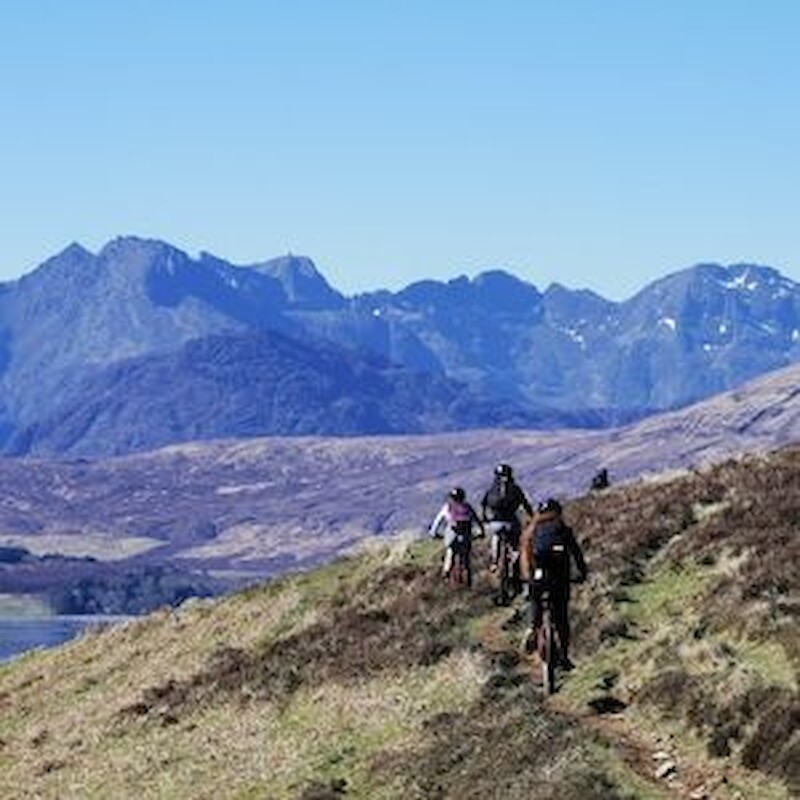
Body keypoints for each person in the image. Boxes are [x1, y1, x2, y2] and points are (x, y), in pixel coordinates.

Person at [522, 498, 587, 670]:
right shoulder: (564, 530)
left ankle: (532, 628)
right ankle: (564, 656)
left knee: (535, 601)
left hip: (537, 577)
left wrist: (526, 579)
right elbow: (576, 554)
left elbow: (524, 557)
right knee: (562, 618)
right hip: (559, 579)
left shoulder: (532, 531)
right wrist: (581, 573)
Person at [481, 463, 534, 573]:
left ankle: (495, 562)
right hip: (511, 522)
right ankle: (516, 558)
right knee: (516, 543)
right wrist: (532, 516)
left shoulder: (491, 489)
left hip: (495, 523)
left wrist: (485, 518)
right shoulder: (515, 489)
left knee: (496, 537)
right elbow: (525, 504)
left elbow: (483, 504)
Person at [429, 487, 484, 584]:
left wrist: (433, 533)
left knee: (450, 552)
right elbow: (477, 521)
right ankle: (468, 578)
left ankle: (446, 573)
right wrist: (481, 532)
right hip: (466, 536)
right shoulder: (468, 507)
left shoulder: (448, 507)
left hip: (452, 536)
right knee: (466, 557)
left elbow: (438, 521)